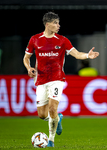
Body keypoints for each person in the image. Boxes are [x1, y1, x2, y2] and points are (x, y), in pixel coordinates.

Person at [23, 12, 99, 147]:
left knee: (52, 108)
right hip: (40, 80)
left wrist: (87, 55)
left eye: (58, 23)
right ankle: (58, 119)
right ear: (47, 24)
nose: (59, 25)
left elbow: (76, 54)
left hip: (57, 79)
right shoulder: (35, 39)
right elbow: (26, 58)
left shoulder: (62, 40)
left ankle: (51, 140)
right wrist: (29, 68)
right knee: (42, 114)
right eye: (55, 23)